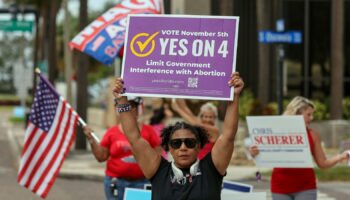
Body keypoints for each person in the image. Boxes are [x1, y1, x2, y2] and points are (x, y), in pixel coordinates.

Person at [112, 72, 244, 199]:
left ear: (199, 146)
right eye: (176, 143)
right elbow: (134, 138)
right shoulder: (157, 170)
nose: (183, 147)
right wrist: (122, 100)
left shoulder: (212, 168)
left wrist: (235, 95)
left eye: (190, 142)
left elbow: (228, 136)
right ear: (169, 147)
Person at [249, 96, 350, 200]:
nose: (312, 118)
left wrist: (341, 156)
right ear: (296, 114)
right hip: (280, 187)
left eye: (312, 114)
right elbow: (264, 154)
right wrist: (254, 153)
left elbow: (322, 163)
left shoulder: (313, 135)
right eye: (308, 114)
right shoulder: (277, 132)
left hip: (306, 187)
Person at [83, 97, 161, 200]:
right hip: (116, 183)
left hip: (142, 183)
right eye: (124, 106)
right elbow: (101, 157)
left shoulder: (149, 131)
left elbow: (157, 159)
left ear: (138, 108)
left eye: (131, 106)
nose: (128, 109)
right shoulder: (112, 132)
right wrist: (91, 139)